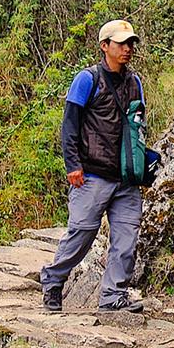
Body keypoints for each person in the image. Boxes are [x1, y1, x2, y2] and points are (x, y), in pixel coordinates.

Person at [40, 19, 147, 313]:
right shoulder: (87, 79)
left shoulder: (134, 83)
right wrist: (72, 165)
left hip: (127, 178)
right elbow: (70, 124)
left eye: (130, 44)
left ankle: (113, 297)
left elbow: (137, 127)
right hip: (91, 175)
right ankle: (53, 281)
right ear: (104, 46)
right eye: (121, 44)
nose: (127, 49)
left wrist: (143, 162)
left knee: (126, 238)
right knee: (82, 234)